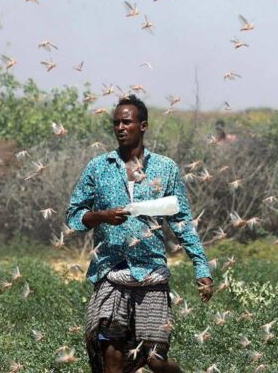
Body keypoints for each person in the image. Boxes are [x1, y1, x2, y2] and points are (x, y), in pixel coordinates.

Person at [66, 95, 214, 373]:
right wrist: (102, 216)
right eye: (116, 123)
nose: (120, 127)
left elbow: (181, 221)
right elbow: (73, 216)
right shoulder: (99, 167)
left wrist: (201, 267)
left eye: (127, 122)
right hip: (110, 272)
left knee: (155, 359)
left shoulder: (165, 168)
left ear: (143, 126)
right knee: (110, 352)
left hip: (151, 274)